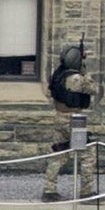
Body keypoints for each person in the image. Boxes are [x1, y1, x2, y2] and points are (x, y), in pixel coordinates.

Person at [42, 43, 97, 201]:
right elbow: (92, 88)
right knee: (88, 154)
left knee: (59, 153)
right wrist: (84, 67)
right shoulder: (76, 78)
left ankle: (49, 189)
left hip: (59, 116)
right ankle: (86, 192)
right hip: (73, 120)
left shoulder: (59, 74)